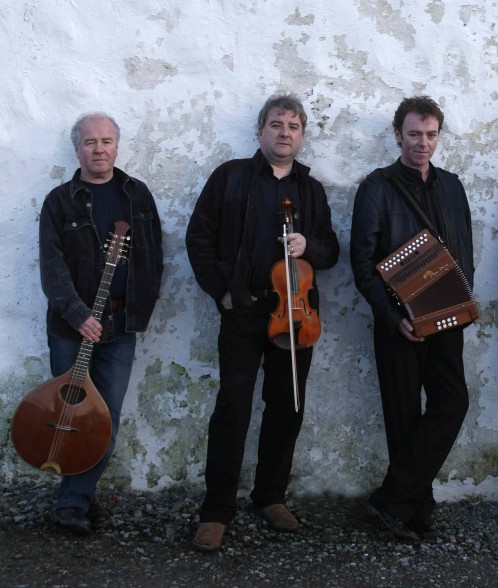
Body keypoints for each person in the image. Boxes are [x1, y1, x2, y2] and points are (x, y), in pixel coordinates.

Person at [186, 93, 339, 552]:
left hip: (295, 313)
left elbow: (331, 250)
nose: (284, 133)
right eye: (276, 124)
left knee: (287, 406)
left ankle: (270, 497)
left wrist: (309, 246)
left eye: (293, 126)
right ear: (260, 131)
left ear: (301, 135)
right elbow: (199, 236)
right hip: (243, 310)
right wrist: (222, 291)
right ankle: (216, 511)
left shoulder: (311, 190)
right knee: (232, 407)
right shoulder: (230, 177)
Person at [350, 96, 474, 540]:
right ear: (397, 134)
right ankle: (415, 507)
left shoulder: (452, 186)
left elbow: (463, 248)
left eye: (431, 135)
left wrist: (461, 302)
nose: (423, 143)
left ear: (439, 136)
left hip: (447, 317)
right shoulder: (376, 187)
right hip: (399, 323)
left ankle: (391, 500)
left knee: (452, 402)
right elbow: (362, 262)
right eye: (415, 134)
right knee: (402, 414)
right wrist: (392, 316)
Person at [38, 112, 164, 535]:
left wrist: (139, 309)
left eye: (106, 141)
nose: (99, 149)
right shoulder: (60, 201)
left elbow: (153, 256)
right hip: (69, 329)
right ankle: (74, 501)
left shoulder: (137, 195)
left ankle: (77, 496)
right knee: (72, 415)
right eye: (90, 142)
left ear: (116, 146)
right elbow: (52, 267)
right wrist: (78, 314)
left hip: (120, 325)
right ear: (77, 149)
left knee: (104, 419)